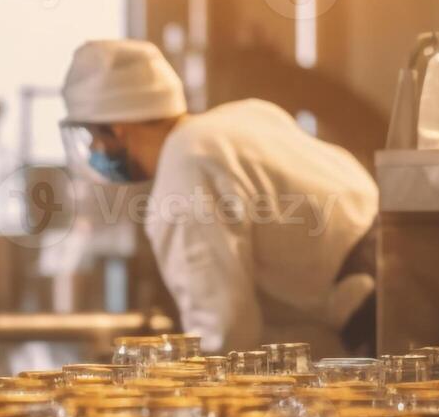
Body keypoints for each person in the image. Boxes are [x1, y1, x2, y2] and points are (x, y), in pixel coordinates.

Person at [60, 39, 379, 357]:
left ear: (117, 130)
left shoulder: (186, 165)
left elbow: (222, 331)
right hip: (393, 259)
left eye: (92, 138)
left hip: (376, 304)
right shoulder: (239, 119)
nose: (92, 152)